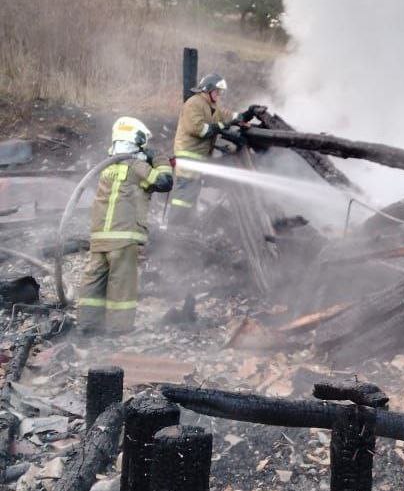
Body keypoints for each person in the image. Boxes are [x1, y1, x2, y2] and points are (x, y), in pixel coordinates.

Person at [78, 117, 173, 334]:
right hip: (123, 237)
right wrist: (159, 159)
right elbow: (164, 182)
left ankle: (88, 326)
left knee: (95, 280)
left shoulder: (108, 168)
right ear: (136, 140)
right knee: (122, 284)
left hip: (100, 237)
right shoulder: (136, 166)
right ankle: (118, 329)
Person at [169, 73, 264, 222]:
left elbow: (229, 116)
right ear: (208, 89)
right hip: (188, 155)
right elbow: (200, 130)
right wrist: (222, 125)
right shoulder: (194, 103)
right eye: (217, 91)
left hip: (198, 158)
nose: (219, 95)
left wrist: (247, 114)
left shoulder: (212, 107)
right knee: (184, 193)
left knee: (192, 192)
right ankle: (174, 226)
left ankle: (184, 225)